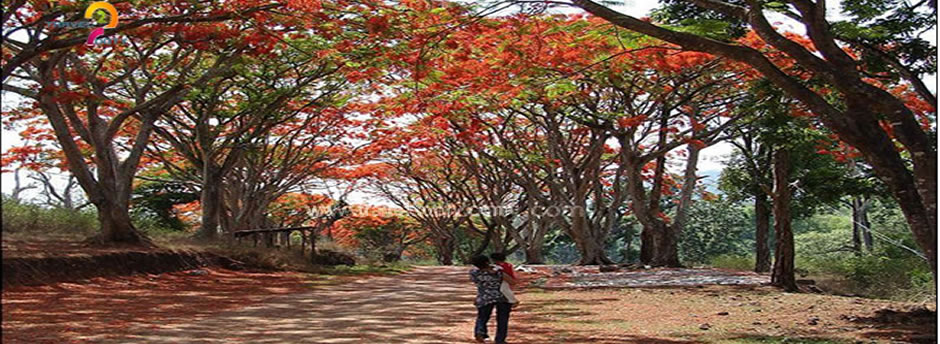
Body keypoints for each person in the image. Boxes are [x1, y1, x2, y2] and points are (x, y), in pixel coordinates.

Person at [469, 255, 515, 344]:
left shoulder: (474, 273)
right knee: (502, 319)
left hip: (484, 297)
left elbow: (475, 280)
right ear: (487, 262)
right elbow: (512, 281)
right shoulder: (498, 272)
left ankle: (480, 332)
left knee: (482, 317)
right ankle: (500, 340)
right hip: (502, 297)